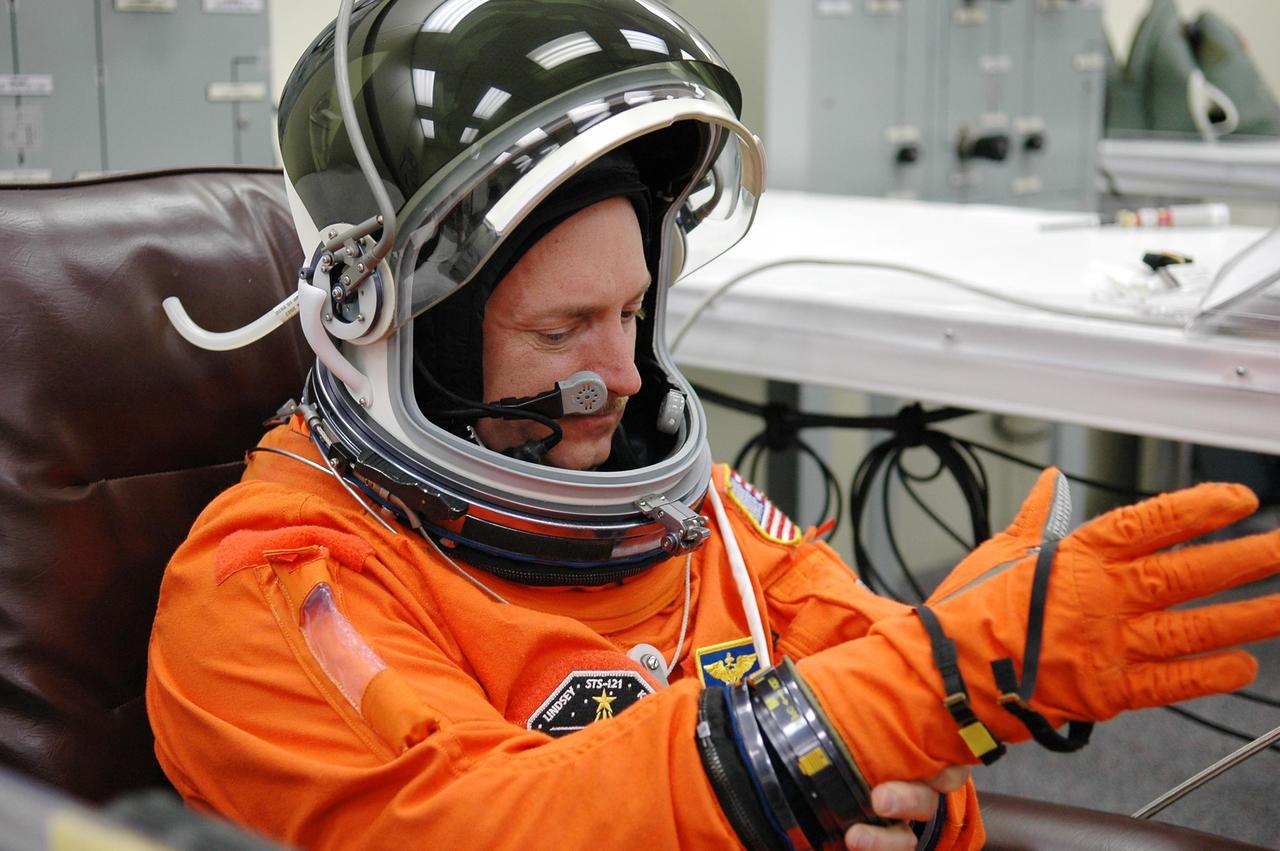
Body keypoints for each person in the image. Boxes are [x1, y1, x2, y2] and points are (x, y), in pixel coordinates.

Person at [147, 2, 1280, 849]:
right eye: (562, 329)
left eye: (633, 312)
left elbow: (887, 704)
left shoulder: (700, 514)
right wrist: (923, 684)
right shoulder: (278, 583)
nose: (624, 374)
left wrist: (920, 800)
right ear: (401, 328)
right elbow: (474, 821)